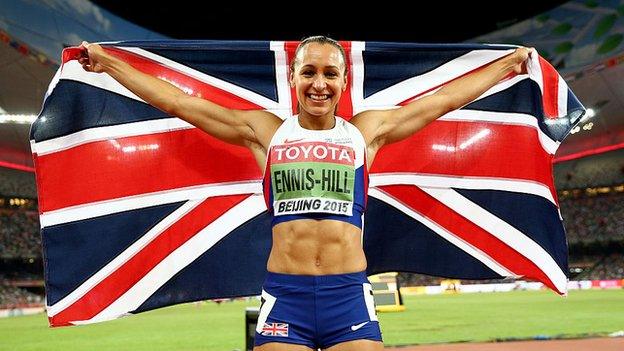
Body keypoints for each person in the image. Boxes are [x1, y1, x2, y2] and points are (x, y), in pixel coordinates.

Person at [78, 36, 531, 351]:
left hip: (349, 293)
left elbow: (444, 101)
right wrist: (110, 63)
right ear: (293, 78)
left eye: (330, 73)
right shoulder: (265, 132)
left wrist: (508, 65)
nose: (319, 83)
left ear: (343, 82)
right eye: (309, 72)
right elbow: (179, 103)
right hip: (285, 296)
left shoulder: (366, 133)